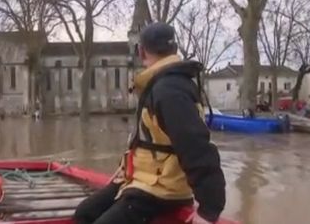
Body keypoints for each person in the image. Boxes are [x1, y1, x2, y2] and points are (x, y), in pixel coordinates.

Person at [74, 22, 226, 224]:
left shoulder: (170, 90)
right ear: (174, 50)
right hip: (143, 180)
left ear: (142, 52)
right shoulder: (163, 84)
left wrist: (209, 209)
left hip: (163, 189)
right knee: (84, 214)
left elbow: (196, 148)